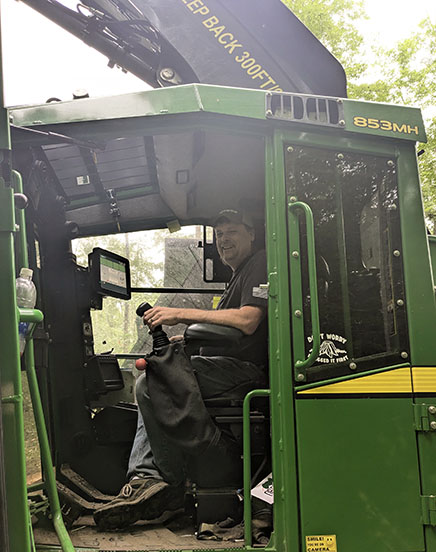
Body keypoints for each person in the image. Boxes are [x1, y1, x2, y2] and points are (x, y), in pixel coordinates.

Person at [94, 209, 268, 530]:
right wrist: (185, 338)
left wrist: (181, 314)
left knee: (152, 382)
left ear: (252, 233)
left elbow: (247, 321)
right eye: (219, 236)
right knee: (156, 371)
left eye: (231, 232)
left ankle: (164, 483)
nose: (223, 240)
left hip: (245, 371)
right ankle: (152, 478)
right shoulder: (238, 275)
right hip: (225, 366)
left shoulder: (259, 262)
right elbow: (224, 330)